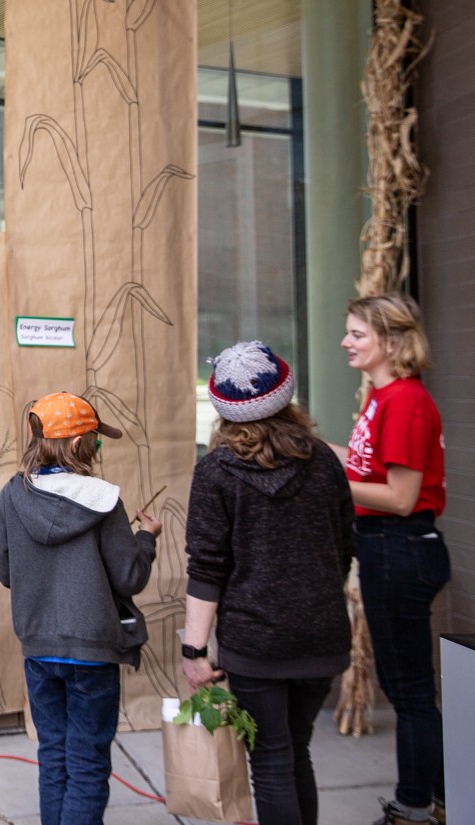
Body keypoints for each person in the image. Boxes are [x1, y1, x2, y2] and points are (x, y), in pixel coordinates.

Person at [182, 341, 354, 825]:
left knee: (272, 760)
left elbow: (207, 567)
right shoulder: (323, 462)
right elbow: (343, 546)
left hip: (255, 641)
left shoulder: (216, 472)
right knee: (297, 749)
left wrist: (194, 651)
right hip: (322, 634)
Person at [0, 391, 161, 825]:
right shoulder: (103, 501)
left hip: (39, 649)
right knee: (86, 762)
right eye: (96, 442)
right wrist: (146, 538)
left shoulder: (12, 494)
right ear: (81, 446)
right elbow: (130, 579)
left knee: (54, 755)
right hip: (93, 651)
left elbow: (4, 570)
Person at [331, 293, 449, 825]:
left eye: (358, 333)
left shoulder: (403, 400)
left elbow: (400, 497)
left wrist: (333, 482)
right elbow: (365, 470)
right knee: (408, 689)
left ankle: (413, 807)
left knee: (409, 693)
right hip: (386, 549)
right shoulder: (381, 397)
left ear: (391, 340)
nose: (346, 342)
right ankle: (445, 794)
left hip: (400, 547)